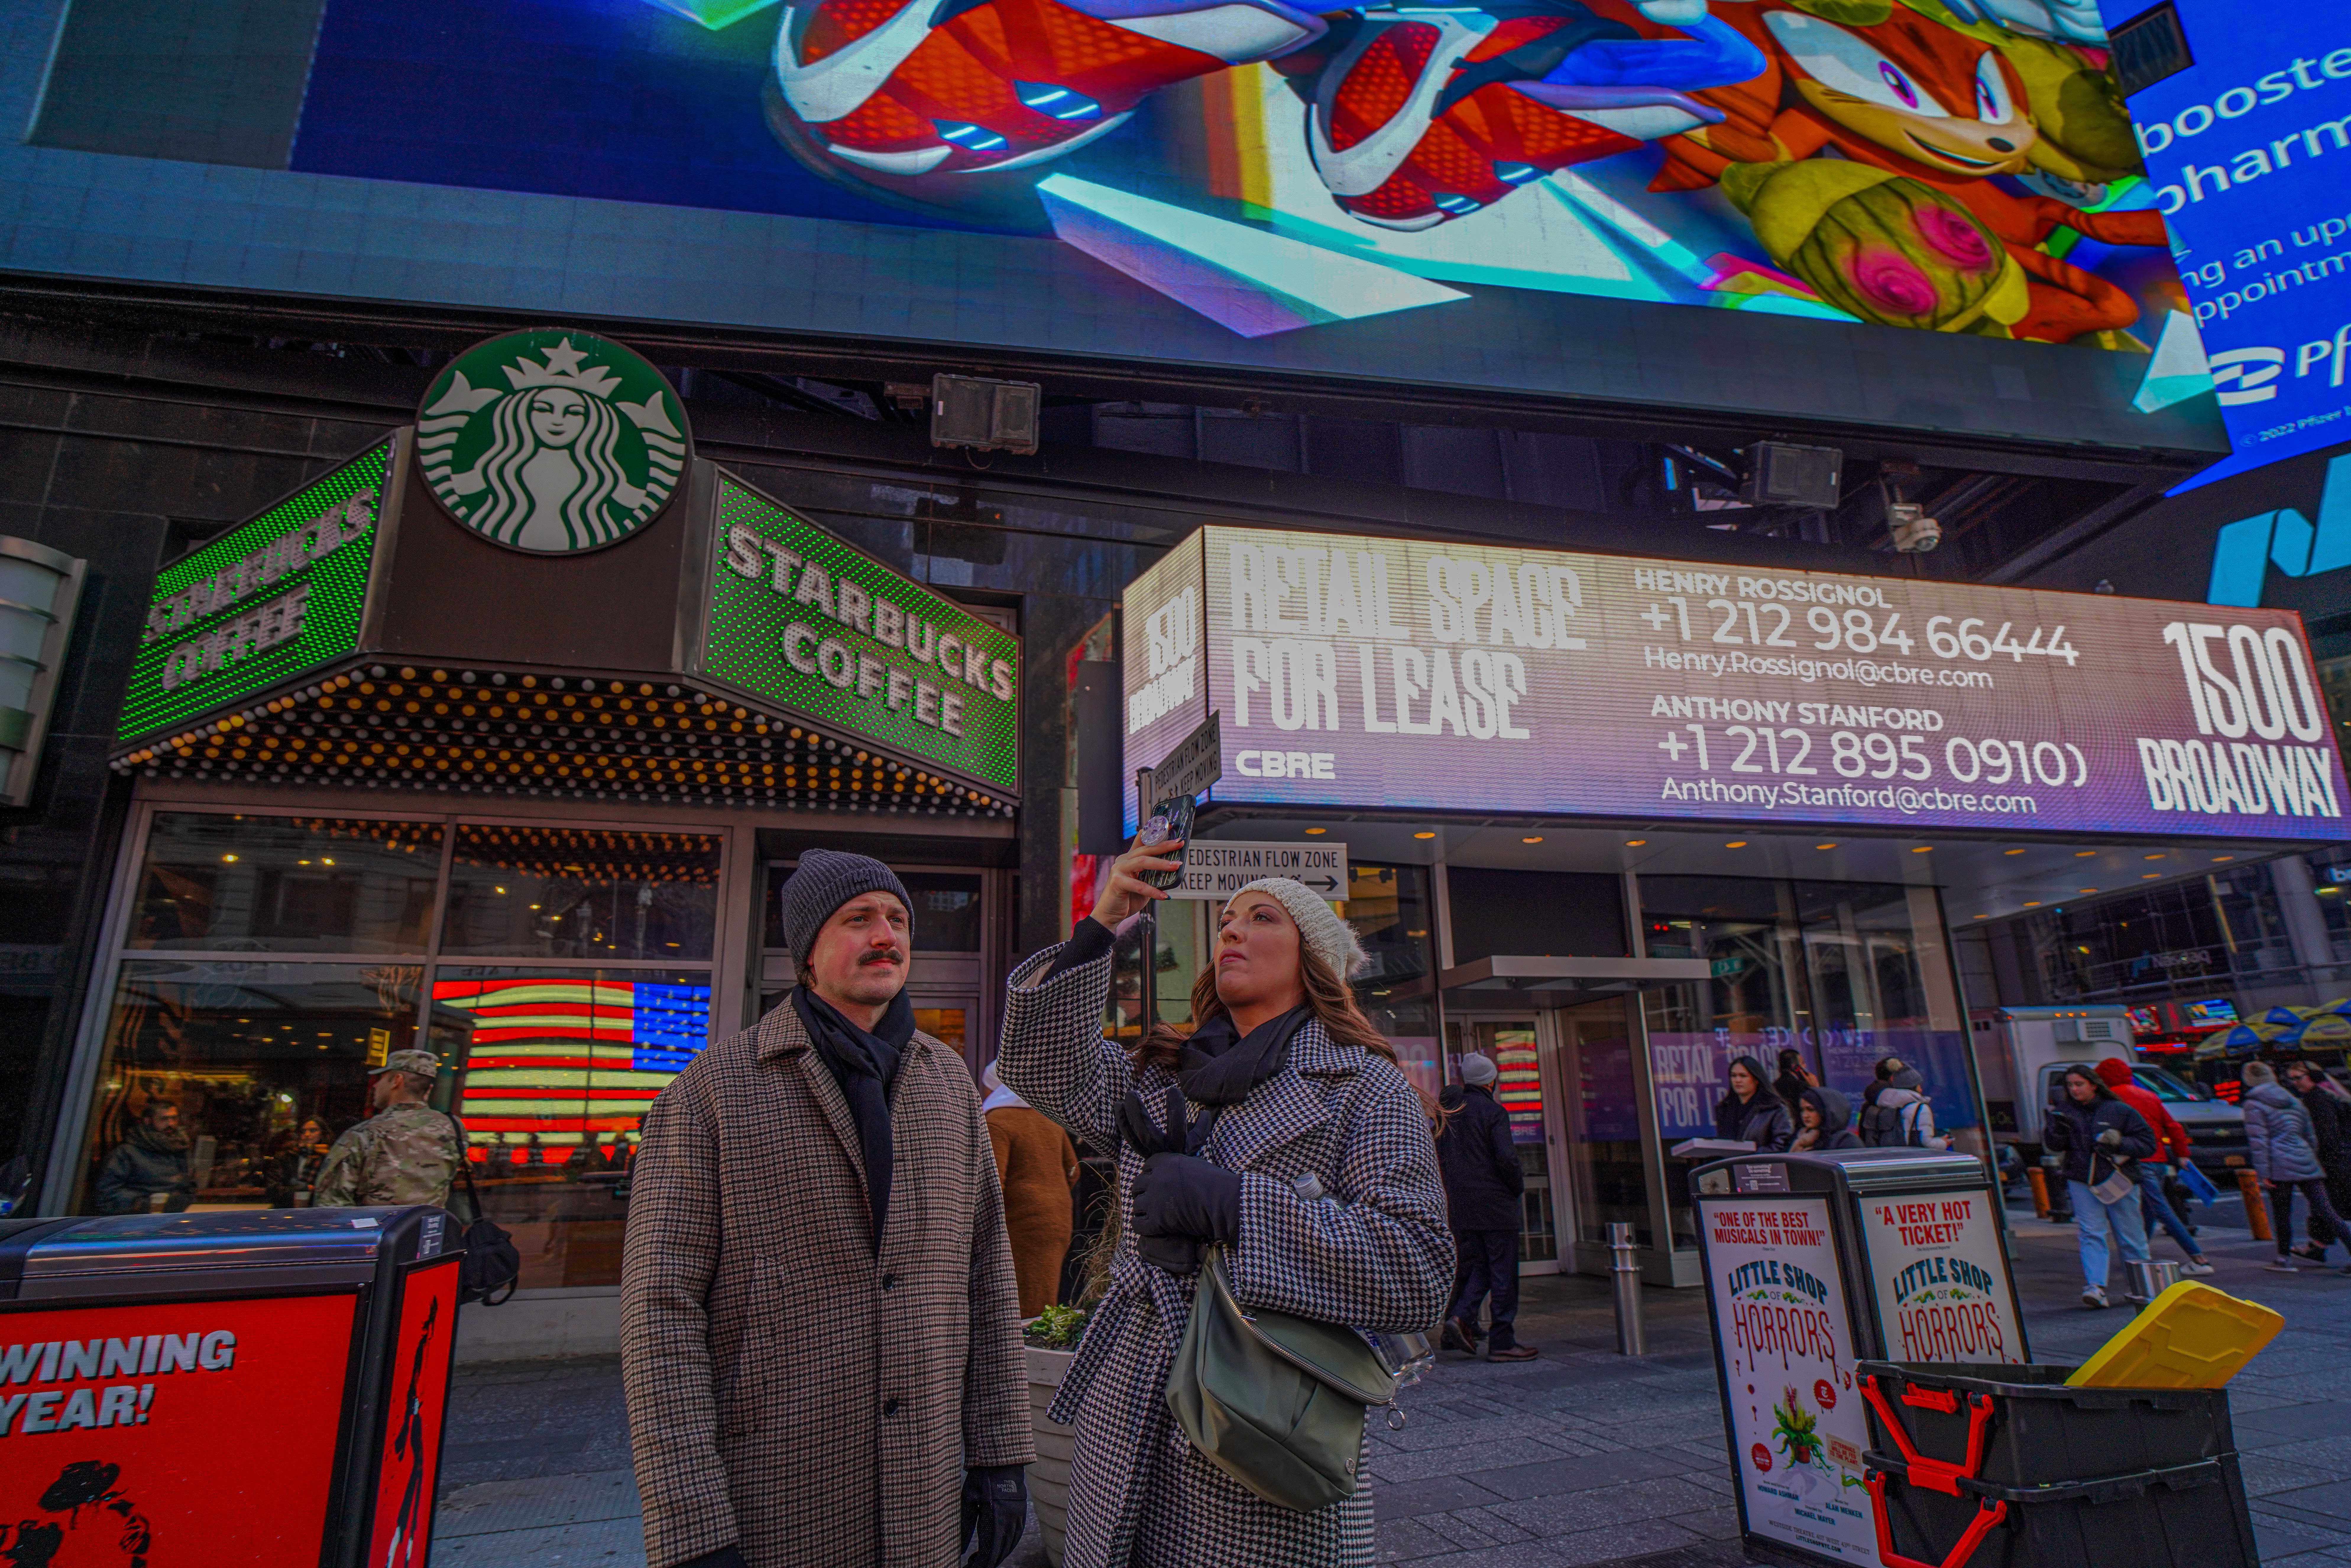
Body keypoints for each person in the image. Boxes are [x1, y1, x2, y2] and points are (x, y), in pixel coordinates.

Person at [996, 837, 1452, 1568]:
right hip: (1129, 1413)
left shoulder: (1364, 1086)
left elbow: (1417, 1268)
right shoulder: (1161, 1076)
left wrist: (1236, 1205)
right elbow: (1037, 1061)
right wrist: (1104, 921)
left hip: (1260, 1423)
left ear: (1314, 959)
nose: (1232, 929)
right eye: (1227, 920)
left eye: (1262, 917)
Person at [621, 849, 1031, 1568]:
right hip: (778, 1490)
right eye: (858, 918)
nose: (886, 935)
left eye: (898, 919)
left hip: (926, 1489)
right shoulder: (713, 1090)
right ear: (808, 951)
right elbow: (660, 1308)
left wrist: (1000, 1453)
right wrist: (690, 1521)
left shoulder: (948, 1084)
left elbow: (987, 1274)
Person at [1438, 1053, 1534, 1361]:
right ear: (1490, 1081)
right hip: (1495, 1204)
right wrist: (1516, 1188)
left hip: (1463, 1205)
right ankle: (1502, 1339)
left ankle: (1460, 1318)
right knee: (1504, 1272)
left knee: (1480, 1266)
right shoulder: (1494, 1112)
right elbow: (1506, 1159)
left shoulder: (1451, 1114)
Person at [2043, 1065, 2156, 1308]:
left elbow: (2148, 1144)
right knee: (2091, 1232)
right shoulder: (2065, 1112)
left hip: (2118, 1178)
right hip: (2082, 1178)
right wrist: (2056, 1130)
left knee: (2130, 1235)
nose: (2074, 1090)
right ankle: (2096, 1287)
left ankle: (2142, 1286)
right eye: (2070, 1086)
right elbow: (2054, 1145)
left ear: (2094, 1085)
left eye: (2079, 1084)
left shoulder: (2119, 1110)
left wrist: (2119, 1143)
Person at [2092, 1059, 2214, 1277]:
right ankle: (2140, 1257)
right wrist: (2182, 1155)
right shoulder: (2149, 1096)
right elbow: (2173, 1127)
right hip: (2157, 1159)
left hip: (2134, 1159)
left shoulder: (2109, 1100)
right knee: (2150, 1210)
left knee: (2160, 1209)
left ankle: (2198, 1257)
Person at [983, 1058, 1082, 1318]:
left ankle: (1023, 1344)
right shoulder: (1049, 1118)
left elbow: (993, 1183)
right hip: (1058, 1219)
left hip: (1019, 1224)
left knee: (1019, 1304)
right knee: (1044, 1296)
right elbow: (1074, 1170)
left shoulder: (997, 1121)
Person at [314, 1051, 466, 1210]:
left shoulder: (364, 1134)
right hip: (430, 1225)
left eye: (381, 1079)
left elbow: (330, 1205)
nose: (376, 1086)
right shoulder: (453, 1128)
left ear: (397, 1081)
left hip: (377, 1226)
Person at [2242, 1060, 2350, 1274]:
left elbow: (2259, 1142)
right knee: (2327, 1211)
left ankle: (2283, 1259)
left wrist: (2264, 1173)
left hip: (2278, 1164)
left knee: (2282, 1214)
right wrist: (2309, 1155)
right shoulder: (2293, 1100)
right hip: (2305, 1158)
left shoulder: (2254, 1104)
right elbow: (2310, 1134)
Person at [2285, 1061, 2351, 1261]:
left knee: (2329, 1207)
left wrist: (2320, 1158)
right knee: (2324, 1205)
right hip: (2338, 1159)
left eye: (2299, 1078)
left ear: (2312, 1077)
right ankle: (2318, 1246)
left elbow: (2327, 1135)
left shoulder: (2318, 1100)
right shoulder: (2328, 1095)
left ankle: (2320, 1246)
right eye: (2292, 1079)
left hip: (2333, 1161)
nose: (2295, 1083)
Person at [94, 1099, 195, 1215]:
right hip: (139, 1217)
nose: (171, 1124)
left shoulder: (180, 1148)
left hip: (177, 1214)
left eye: (174, 1119)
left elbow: (189, 1184)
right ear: (148, 1121)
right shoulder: (126, 1153)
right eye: (164, 1119)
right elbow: (107, 1193)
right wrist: (142, 1204)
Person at [1715, 1055, 1794, 1151]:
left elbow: (1782, 1145)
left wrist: (1752, 1155)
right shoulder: (1725, 1109)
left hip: (1761, 1160)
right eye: (1734, 1076)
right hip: (1731, 1161)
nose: (1737, 1080)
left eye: (1743, 1076)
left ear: (1756, 1079)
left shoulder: (1775, 1108)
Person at [1860, 1062, 1944, 1149]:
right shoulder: (1920, 1108)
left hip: (1884, 1155)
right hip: (1911, 1156)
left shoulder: (1879, 1105)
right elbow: (1926, 1142)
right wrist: (1944, 1143)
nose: (1921, 1089)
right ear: (1914, 1087)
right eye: (1919, 1085)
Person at [265, 1116, 336, 1207]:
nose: (307, 1134)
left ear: (323, 1134)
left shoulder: (330, 1158)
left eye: (313, 1131)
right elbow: (273, 1190)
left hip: (318, 1209)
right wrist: (304, 1188)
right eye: (303, 1131)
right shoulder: (286, 1157)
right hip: (287, 1209)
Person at [1790, 1086, 1861, 1152]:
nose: (1805, 1116)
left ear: (1825, 1111)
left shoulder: (1846, 1141)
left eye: (1811, 1110)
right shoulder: (1800, 1136)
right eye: (1802, 1110)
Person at [1774, 1048, 1819, 1118]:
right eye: (1803, 1063)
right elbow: (1817, 1107)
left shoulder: (1774, 1086)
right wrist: (1816, 1088)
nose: (1805, 1066)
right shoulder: (1801, 1086)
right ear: (1796, 1067)